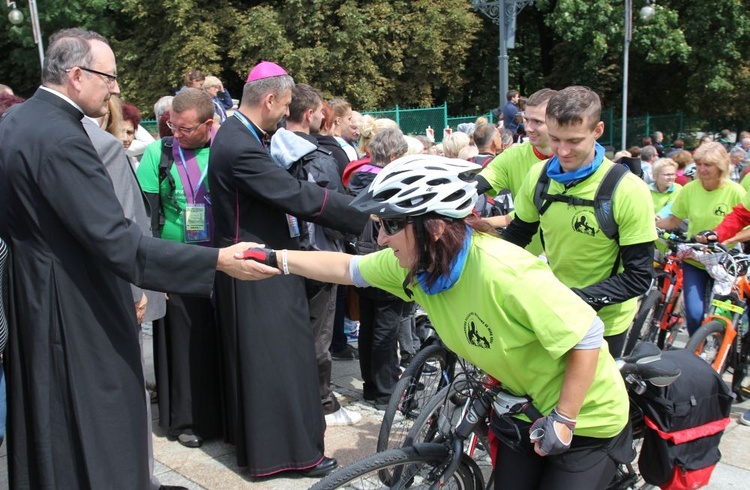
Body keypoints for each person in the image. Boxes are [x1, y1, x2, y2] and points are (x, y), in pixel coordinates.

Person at [242, 154, 632, 489]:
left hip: (586, 415)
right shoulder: (419, 266)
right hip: (524, 405)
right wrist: (275, 260)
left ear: (436, 226)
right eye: (379, 224)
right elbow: (348, 267)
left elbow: (587, 336)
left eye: (390, 225)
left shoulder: (505, 273)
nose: (380, 238)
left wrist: (565, 419)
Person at [0, 27, 275, 489]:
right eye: (108, 77)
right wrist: (216, 262)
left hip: (29, 294)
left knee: (47, 421)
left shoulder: (14, 123)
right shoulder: (66, 139)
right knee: (100, 421)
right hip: (73, 302)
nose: (114, 88)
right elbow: (116, 240)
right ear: (75, 76)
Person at [207, 60, 368, 477]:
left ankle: (263, 447)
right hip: (259, 267)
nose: (285, 115)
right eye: (283, 107)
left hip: (253, 260)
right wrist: (366, 214)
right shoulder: (240, 142)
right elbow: (294, 195)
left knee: (265, 361)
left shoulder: (237, 134)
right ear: (270, 98)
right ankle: (291, 455)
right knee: (283, 362)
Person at [501, 86, 656, 358]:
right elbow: (517, 235)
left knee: (590, 401)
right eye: (556, 138)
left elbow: (638, 277)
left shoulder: (628, 190)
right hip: (554, 311)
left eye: (574, 141)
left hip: (605, 322)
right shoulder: (540, 176)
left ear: (597, 131)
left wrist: (575, 299)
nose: (562, 151)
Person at [269, 83, 362, 426]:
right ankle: (322, 400)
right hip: (318, 254)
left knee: (291, 329)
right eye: (322, 111)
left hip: (280, 254)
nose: (325, 116)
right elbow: (336, 211)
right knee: (319, 333)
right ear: (309, 115)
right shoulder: (318, 157)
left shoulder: (266, 149)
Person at [656, 142, 746, 336]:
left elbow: (743, 224)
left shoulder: (735, 191)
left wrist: (727, 240)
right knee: (695, 314)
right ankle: (696, 351)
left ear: (721, 166)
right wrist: (649, 226)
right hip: (695, 259)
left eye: (708, 165)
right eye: (699, 164)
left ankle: (721, 354)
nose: (702, 169)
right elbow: (673, 219)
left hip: (725, 262)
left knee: (722, 317)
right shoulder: (690, 189)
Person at [347, 127, 409, 408]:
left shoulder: (357, 177)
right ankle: (386, 392)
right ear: (395, 155)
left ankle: (371, 387)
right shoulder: (390, 181)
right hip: (386, 257)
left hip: (361, 255)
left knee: (368, 323)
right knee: (386, 327)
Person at [475, 88, 557, 255]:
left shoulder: (576, 163)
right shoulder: (513, 155)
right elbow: (476, 185)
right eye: (526, 119)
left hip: (570, 266)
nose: (528, 128)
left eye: (537, 122)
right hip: (529, 260)